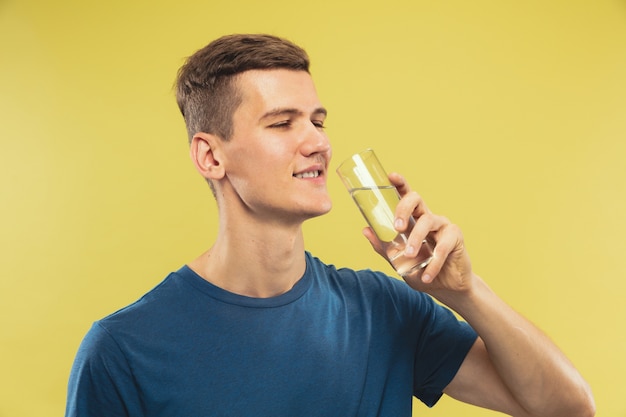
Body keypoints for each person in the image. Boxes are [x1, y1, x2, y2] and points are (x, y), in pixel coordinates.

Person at [65, 34, 595, 417]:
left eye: (318, 121)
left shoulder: (383, 308)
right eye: (282, 123)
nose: (318, 141)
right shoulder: (121, 350)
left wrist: (465, 293)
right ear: (210, 156)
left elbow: (568, 408)